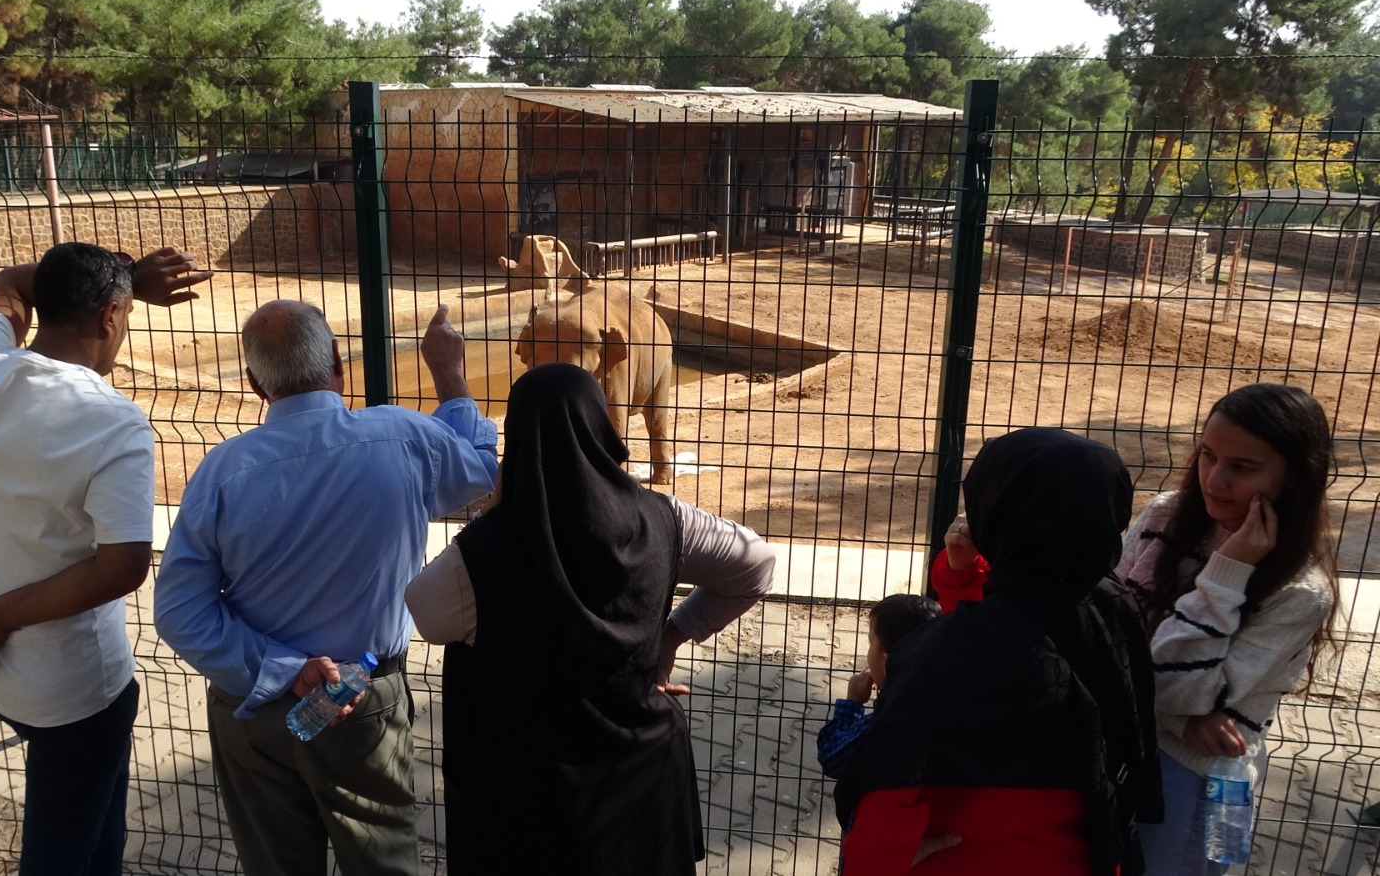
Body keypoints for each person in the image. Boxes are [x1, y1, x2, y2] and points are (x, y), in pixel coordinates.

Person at [153, 299, 497, 876]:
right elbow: (482, 473)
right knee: (385, 864)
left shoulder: (222, 471)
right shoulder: (404, 437)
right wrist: (449, 376)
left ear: (255, 384)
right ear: (339, 362)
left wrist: (283, 669)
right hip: (360, 702)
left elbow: (178, 611)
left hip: (253, 711)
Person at [404, 362, 774, 876]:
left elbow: (425, 614)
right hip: (641, 782)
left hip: (526, 798)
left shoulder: (483, 551)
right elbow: (756, 565)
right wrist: (671, 636)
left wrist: (491, 513)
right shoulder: (667, 518)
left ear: (518, 441)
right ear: (603, 428)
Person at [0, 242, 211, 875]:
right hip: (72, 691)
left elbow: (10, 279)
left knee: (95, 829)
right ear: (110, 316)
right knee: (60, 852)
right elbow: (122, 567)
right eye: (123, 312)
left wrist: (124, 279)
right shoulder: (113, 421)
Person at [833, 427, 1161, 876]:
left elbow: (890, 779)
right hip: (1091, 849)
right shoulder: (1111, 606)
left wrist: (878, 859)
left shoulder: (945, 651)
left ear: (998, 511)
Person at [1119, 383, 1339, 876]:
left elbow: (1178, 686)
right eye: (1208, 455)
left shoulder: (1301, 591)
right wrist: (1183, 720)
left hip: (1188, 777)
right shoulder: (1165, 514)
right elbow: (1099, 630)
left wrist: (1226, 573)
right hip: (1115, 746)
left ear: (1294, 477)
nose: (1215, 479)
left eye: (1242, 467)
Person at [816, 593, 942, 780]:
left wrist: (851, 704)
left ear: (886, 659)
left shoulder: (890, 719)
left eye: (871, 643)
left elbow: (832, 757)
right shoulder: (948, 698)